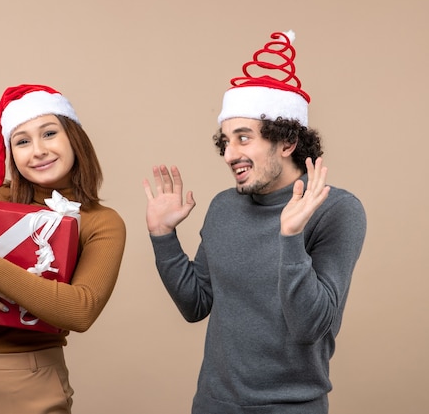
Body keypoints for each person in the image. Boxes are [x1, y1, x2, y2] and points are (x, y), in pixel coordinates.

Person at [143, 31, 366, 414]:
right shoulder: (223, 207)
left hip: (291, 407)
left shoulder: (335, 209)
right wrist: (163, 236)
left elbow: (311, 327)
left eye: (243, 139)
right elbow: (196, 304)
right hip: (213, 404)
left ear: (286, 141)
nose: (229, 154)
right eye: (225, 141)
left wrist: (291, 237)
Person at [0, 84, 126, 414]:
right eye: (22, 141)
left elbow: (80, 310)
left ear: (74, 137)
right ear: (12, 154)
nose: (39, 150)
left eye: (49, 133)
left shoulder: (101, 222)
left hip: (32, 382)